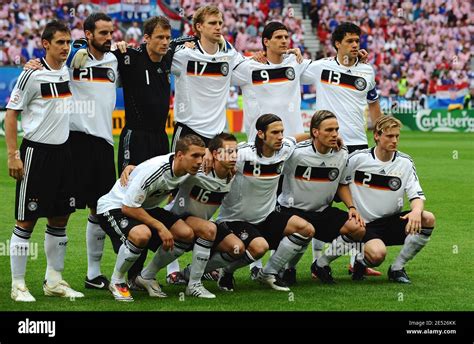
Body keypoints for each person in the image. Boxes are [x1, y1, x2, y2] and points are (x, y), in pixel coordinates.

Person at [24, 13, 121, 291]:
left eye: (110, 32)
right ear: (87, 34)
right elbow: (50, 60)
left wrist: (124, 47)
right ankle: (52, 276)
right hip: (73, 141)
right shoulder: (72, 55)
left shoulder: (116, 59)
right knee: (61, 210)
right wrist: (32, 63)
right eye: (102, 33)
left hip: (104, 142)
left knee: (99, 207)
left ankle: (92, 274)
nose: (108, 37)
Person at [5, 20, 84, 302]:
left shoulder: (67, 68)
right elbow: (11, 115)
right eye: (60, 42)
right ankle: (18, 285)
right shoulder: (31, 75)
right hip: (36, 153)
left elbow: (101, 45)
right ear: (46, 44)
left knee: (60, 218)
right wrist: (13, 155)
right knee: (26, 220)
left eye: (68, 42)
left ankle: (54, 280)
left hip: (64, 153)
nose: (66, 47)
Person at [301, 22, 383, 274]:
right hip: (328, 144)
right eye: (349, 41)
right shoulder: (321, 67)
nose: (355, 45)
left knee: (356, 203)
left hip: (358, 144)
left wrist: (378, 130)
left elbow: (373, 102)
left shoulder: (367, 71)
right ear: (337, 43)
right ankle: (318, 263)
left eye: (357, 41)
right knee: (321, 201)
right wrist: (291, 54)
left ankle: (355, 261)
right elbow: (290, 68)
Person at [96, 135, 206, 301]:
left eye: (202, 156)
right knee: (142, 234)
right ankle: (117, 281)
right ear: (179, 155)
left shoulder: (190, 169)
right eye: (195, 156)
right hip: (116, 206)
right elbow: (128, 207)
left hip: (145, 206)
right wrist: (160, 227)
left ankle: (146, 276)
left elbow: (219, 156)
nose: (199, 161)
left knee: (185, 234)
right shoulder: (157, 171)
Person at [217, 114, 314, 292]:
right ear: (261, 134)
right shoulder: (242, 153)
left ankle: (268, 273)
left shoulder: (284, 148)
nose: (280, 137)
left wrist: (316, 135)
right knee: (260, 247)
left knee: (306, 229)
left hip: (265, 217)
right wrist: (209, 154)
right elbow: (218, 153)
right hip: (235, 219)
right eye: (275, 132)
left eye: (281, 132)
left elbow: (295, 138)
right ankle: (226, 272)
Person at [277, 110, 366, 284]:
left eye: (336, 130)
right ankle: (287, 269)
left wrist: (352, 208)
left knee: (358, 229)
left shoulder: (341, 153)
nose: (334, 134)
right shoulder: (295, 153)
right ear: (315, 132)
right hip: (290, 211)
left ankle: (320, 265)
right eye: (329, 130)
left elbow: (342, 182)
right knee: (304, 229)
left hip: (322, 212)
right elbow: (277, 146)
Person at [344, 116, 436, 283]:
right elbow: (340, 183)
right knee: (378, 255)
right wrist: (350, 207)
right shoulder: (357, 159)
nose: (394, 140)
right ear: (377, 136)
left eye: (397, 136)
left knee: (427, 218)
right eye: (389, 136)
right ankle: (359, 263)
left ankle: (397, 268)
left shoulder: (405, 162)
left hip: (391, 222)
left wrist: (416, 210)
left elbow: (416, 194)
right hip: (364, 226)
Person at [165, 133, 246, 297]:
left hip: (204, 224)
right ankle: (190, 283)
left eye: (235, 152)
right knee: (209, 229)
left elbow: (256, 146)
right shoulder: (198, 169)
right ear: (215, 154)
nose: (234, 156)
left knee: (237, 249)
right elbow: (174, 162)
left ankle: (189, 273)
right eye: (228, 152)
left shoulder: (233, 172)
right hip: (178, 221)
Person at [170, 5, 245, 149]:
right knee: (183, 172)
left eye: (220, 23)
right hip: (188, 130)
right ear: (199, 26)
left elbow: (249, 66)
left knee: (218, 172)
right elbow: (155, 56)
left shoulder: (229, 54)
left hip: (218, 135)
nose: (218, 27)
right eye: (212, 23)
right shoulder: (184, 54)